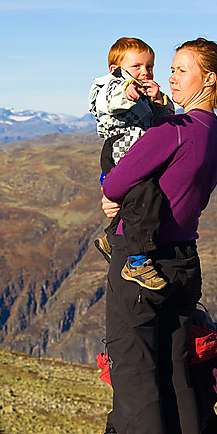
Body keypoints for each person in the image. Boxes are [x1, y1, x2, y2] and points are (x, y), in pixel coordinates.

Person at [94, 38, 217, 434]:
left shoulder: (176, 130)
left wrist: (109, 194)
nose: (172, 77)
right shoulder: (216, 135)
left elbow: (116, 181)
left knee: (136, 370)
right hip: (184, 260)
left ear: (210, 81)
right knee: (179, 370)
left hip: (142, 262)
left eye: (182, 70)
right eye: (172, 69)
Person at [88, 37, 174, 290]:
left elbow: (164, 121)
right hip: (119, 152)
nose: (145, 73)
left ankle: (110, 236)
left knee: (137, 201)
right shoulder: (110, 86)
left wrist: (159, 101)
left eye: (150, 67)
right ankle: (137, 261)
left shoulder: (145, 93)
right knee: (145, 198)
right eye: (137, 66)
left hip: (135, 154)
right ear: (116, 68)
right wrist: (127, 91)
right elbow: (111, 100)